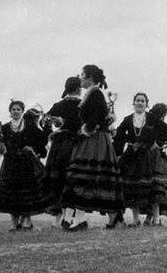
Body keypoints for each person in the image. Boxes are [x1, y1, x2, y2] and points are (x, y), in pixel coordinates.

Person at [61, 64, 124, 230]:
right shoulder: (92, 93)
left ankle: (85, 219)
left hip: (94, 140)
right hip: (93, 139)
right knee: (88, 177)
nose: (80, 78)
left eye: (82, 75)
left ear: (90, 77)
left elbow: (97, 117)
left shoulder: (95, 93)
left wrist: (86, 129)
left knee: (86, 176)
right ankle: (89, 218)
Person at [0, 100, 49, 231]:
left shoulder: (29, 125)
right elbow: (1, 149)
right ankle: (14, 223)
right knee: (12, 194)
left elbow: (43, 139)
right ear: (10, 111)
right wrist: (0, 143)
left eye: (18, 109)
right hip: (10, 164)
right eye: (13, 109)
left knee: (26, 194)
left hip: (26, 163)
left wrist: (33, 148)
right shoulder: (4, 128)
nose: (16, 111)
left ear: (22, 111)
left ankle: (27, 222)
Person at [41, 76, 82, 228]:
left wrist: (53, 132)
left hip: (58, 146)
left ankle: (57, 220)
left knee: (57, 181)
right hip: (76, 145)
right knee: (72, 180)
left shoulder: (58, 105)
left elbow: (43, 122)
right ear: (78, 89)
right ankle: (68, 218)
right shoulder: (82, 105)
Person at [113, 92, 152, 227]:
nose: (140, 103)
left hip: (145, 156)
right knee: (131, 187)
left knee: (143, 187)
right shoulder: (128, 119)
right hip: (130, 156)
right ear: (133, 103)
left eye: (142, 101)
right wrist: (125, 144)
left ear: (146, 104)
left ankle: (149, 218)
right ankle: (135, 219)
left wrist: (147, 143)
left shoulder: (151, 119)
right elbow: (119, 136)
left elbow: (163, 131)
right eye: (137, 100)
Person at [142, 102, 167, 226]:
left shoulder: (145, 124)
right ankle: (156, 220)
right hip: (158, 159)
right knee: (157, 189)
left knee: (149, 189)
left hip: (144, 158)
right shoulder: (165, 128)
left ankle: (148, 219)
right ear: (164, 114)